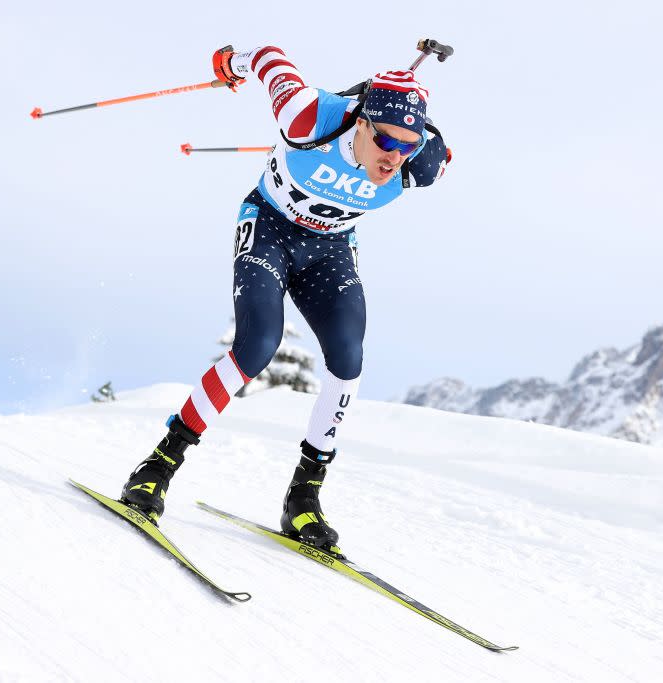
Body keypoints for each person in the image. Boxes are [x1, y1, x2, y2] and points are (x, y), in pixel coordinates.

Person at [119, 45, 451, 553]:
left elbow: (434, 151)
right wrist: (232, 63)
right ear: (360, 122)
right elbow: (271, 57)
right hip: (271, 229)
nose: (394, 157)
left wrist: (411, 138)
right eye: (385, 139)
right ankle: (158, 465)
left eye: (408, 145)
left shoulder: (421, 161)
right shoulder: (308, 116)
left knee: (348, 357)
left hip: (330, 251)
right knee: (256, 345)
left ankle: (303, 497)